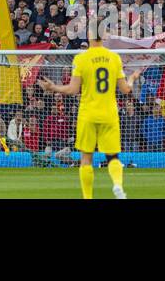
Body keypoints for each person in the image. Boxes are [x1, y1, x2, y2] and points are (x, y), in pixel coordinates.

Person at [40, 32, 137, 200]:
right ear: (104, 37)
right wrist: (132, 78)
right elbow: (126, 90)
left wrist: (53, 87)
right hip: (109, 113)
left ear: (89, 37)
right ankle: (117, 185)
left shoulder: (81, 59)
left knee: (86, 157)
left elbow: (72, 90)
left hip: (88, 113)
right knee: (113, 155)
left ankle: (87, 197)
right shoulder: (114, 58)